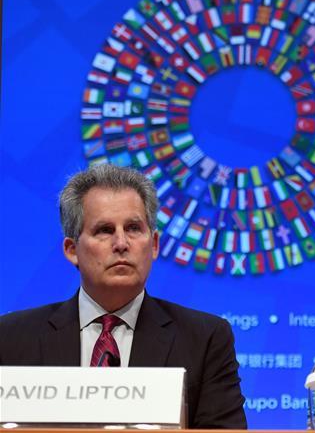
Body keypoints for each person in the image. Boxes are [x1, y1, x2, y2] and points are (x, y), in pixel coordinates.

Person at [0, 164, 247, 429]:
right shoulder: (10, 339)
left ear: (153, 245)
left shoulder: (205, 339)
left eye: (133, 228)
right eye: (104, 230)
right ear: (72, 250)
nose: (121, 243)